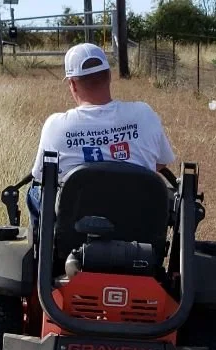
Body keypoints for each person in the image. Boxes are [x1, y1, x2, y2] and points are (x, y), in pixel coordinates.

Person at [26, 43, 176, 226]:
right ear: (109, 76)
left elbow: (42, 177)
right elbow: (160, 163)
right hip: (136, 223)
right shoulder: (144, 114)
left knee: (35, 191)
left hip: (75, 229)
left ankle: (45, 242)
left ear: (72, 84)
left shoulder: (55, 126)